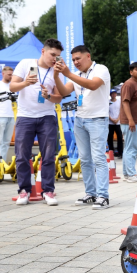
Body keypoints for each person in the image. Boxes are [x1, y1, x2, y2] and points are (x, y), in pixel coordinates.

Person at [53, 45, 112, 209]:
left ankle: (103, 196)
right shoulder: (76, 75)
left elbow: (93, 85)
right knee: (85, 159)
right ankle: (90, 194)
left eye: (78, 58)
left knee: (99, 158)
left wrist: (68, 73)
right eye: (72, 60)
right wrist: (57, 75)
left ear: (88, 56)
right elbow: (64, 91)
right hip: (80, 120)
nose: (75, 62)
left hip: (97, 119)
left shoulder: (101, 69)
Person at [10, 39, 64, 206]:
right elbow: (12, 87)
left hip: (47, 117)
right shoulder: (26, 63)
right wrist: (25, 82)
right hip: (25, 117)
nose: (55, 59)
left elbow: (59, 98)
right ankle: (24, 191)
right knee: (22, 156)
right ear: (43, 51)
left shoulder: (57, 71)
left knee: (48, 156)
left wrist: (48, 96)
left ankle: (48, 191)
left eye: (58, 56)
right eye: (52, 54)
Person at [120, 62, 137, 183]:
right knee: (131, 148)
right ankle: (131, 174)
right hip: (131, 121)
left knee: (129, 147)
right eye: (136, 69)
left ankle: (127, 174)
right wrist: (131, 120)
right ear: (131, 72)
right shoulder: (129, 84)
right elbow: (125, 102)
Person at [108, 89, 123, 158]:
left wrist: (118, 119)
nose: (113, 95)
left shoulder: (119, 102)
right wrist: (111, 119)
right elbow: (106, 112)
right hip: (110, 122)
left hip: (118, 122)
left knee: (119, 137)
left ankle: (120, 152)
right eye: (112, 94)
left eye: (114, 94)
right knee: (110, 137)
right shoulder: (108, 102)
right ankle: (111, 151)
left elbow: (121, 111)